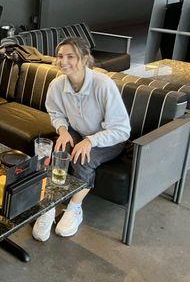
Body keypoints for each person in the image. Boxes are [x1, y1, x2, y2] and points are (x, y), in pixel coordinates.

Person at [32, 37, 130, 242]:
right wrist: (63, 130)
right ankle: (49, 205)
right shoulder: (57, 84)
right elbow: (55, 112)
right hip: (78, 131)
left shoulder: (103, 85)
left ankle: (75, 208)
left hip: (110, 138)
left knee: (81, 158)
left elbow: (122, 130)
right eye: (60, 56)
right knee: (58, 151)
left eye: (71, 56)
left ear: (85, 59)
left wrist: (91, 141)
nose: (63, 61)